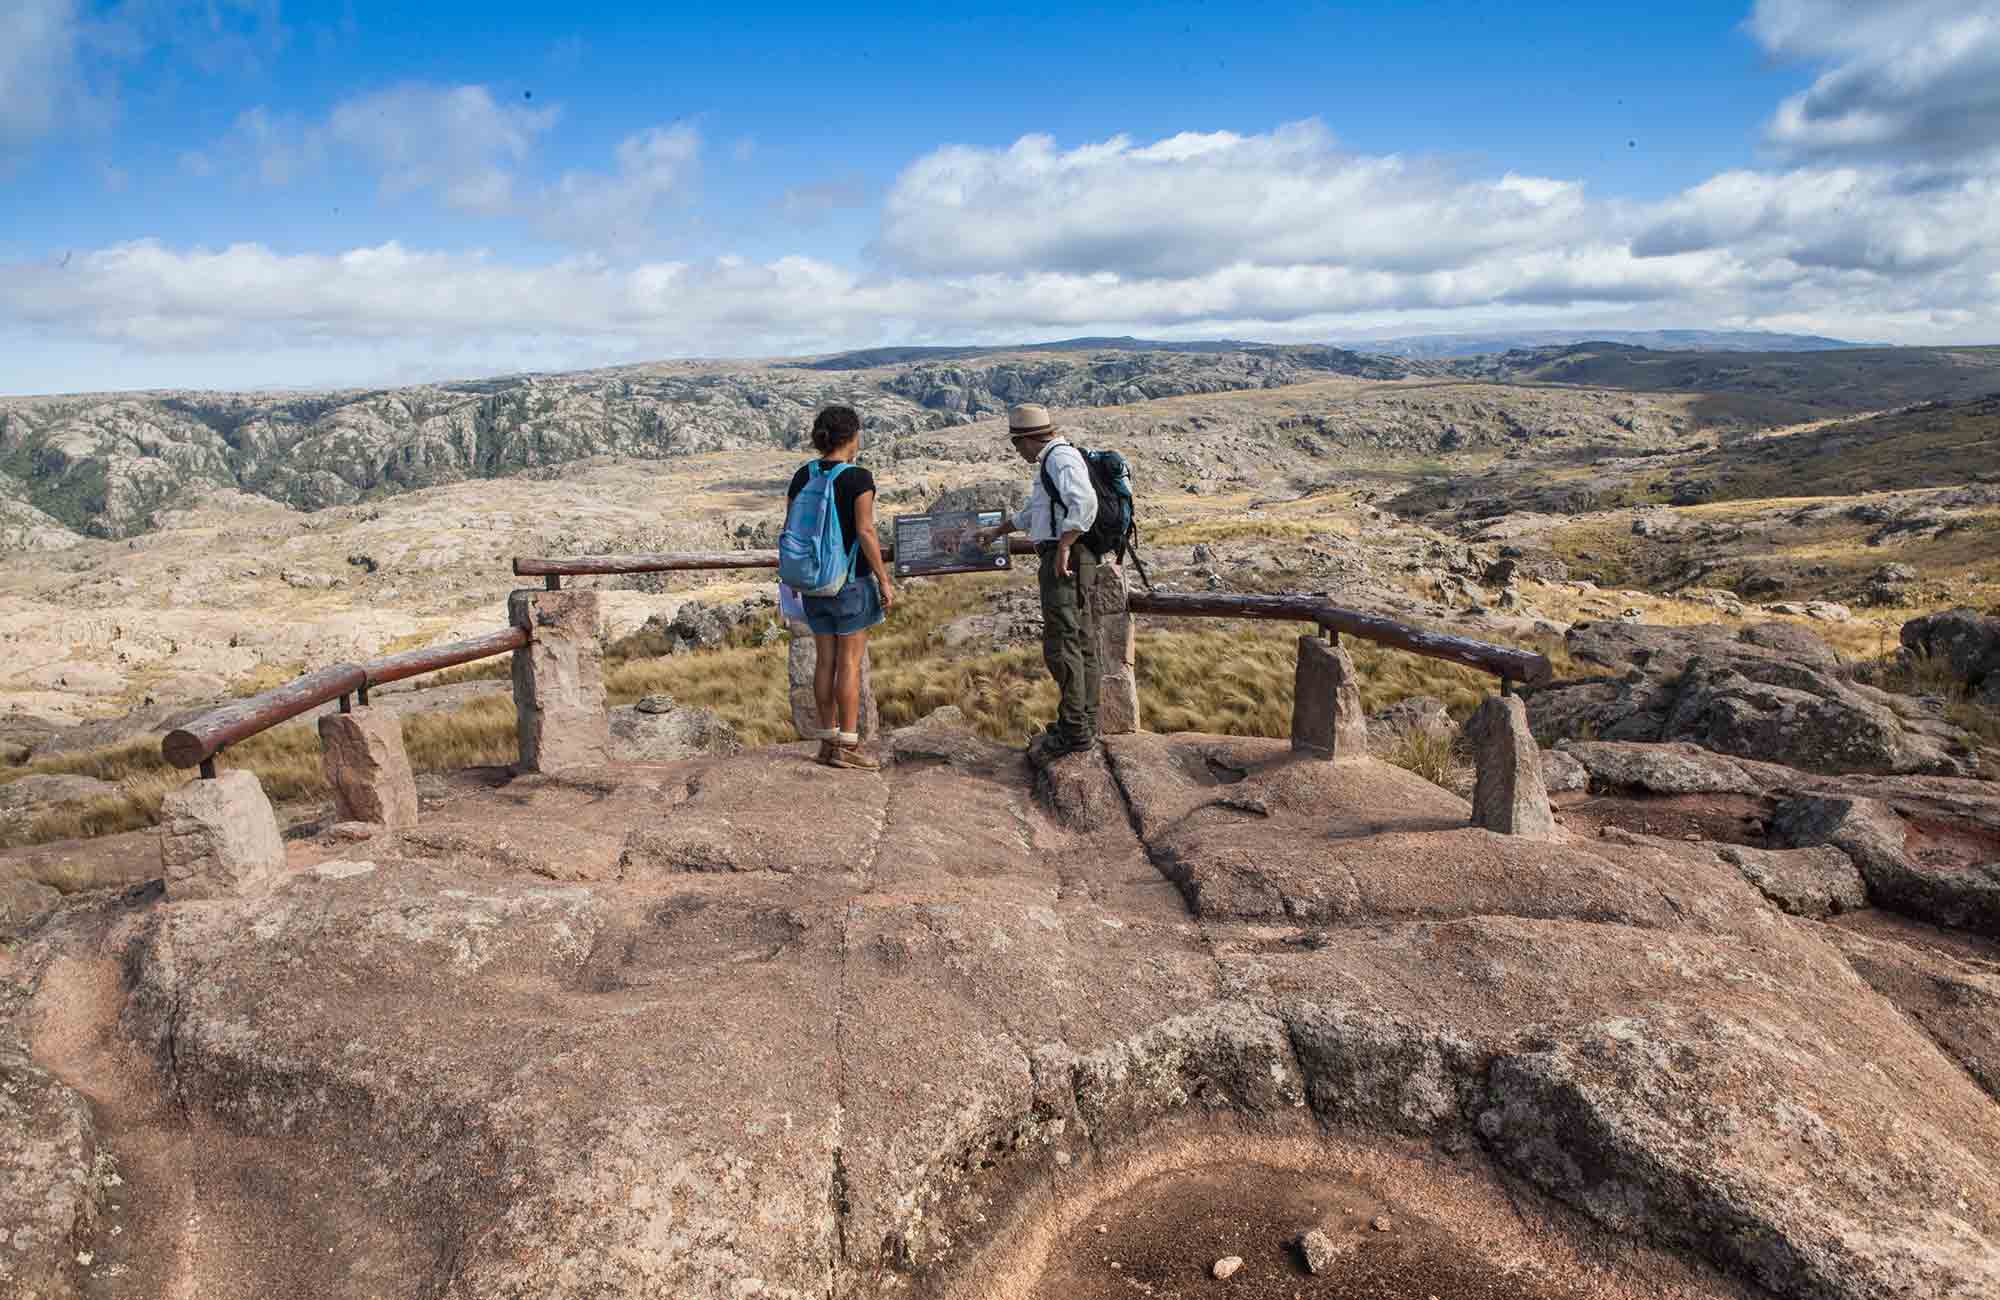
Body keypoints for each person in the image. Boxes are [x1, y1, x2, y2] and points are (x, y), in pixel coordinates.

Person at [976, 404, 1099, 762]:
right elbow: (1036, 514)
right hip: (1070, 556)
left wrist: (1064, 545)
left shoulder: (1059, 459)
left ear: (1027, 439)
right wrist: (998, 530)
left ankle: (1075, 731)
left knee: (1064, 644)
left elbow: (1084, 503)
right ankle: (1082, 722)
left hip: (1067, 560)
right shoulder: (1054, 459)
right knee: (1078, 640)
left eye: (1017, 445)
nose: (1018, 452)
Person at [786, 405, 896, 770]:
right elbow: (865, 532)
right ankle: (848, 746)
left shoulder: (804, 475)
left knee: (825, 662)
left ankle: (826, 741)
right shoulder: (858, 478)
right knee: (849, 663)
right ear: (852, 437)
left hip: (813, 583)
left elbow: (792, 529)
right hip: (849, 583)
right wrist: (883, 579)